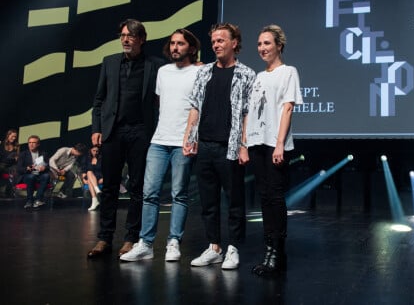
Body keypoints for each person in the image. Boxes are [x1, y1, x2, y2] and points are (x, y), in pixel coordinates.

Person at [120, 29, 202, 262]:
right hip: (158, 140)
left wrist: (191, 138)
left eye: (181, 43)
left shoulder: (199, 71)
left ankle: (173, 242)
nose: (175, 47)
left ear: (191, 48)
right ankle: (145, 243)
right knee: (149, 193)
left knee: (179, 194)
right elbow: (159, 102)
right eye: (173, 43)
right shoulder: (163, 72)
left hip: (183, 142)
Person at [87, 19, 165, 259]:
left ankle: (131, 237)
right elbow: (99, 101)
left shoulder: (156, 66)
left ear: (141, 39)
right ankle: (104, 237)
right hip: (113, 131)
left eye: (130, 36)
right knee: (109, 186)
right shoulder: (109, 62)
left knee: (137, 187)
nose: (125, 39)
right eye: (122, 35)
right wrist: (96, 128)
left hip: (141, 131)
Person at [183, 22, 255, 270]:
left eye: (221, 40)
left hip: (230, 146)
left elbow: (248, 113)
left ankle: (233, 248)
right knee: (208, 201)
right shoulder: (203, 73)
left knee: (234, 200)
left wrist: (244, 145)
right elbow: (194, 106)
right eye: (213, 41)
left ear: (234, 43)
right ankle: (214, 247)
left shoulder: (246, 74)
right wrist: (188, 136)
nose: (216, 45)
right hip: (204, 145)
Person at [242, 25, 303, 277]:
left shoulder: (288, 72)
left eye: (267, 43)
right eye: (259, 44)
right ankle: (270, 251)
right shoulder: (257, 76)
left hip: (274, 144)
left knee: (275, 198)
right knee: (265, 198)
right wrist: (243, 144)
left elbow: (287, 109)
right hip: (255, 144)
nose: (262, 48)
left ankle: (276, 253)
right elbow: (248, 112)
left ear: (279, 45)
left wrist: (279, 143)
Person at [16, 135, 51, 208]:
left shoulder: (43, 154)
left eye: (34, 143)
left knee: (46, 176)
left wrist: (44, 168)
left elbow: (48, 166)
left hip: (39, 174)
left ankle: (38, 199)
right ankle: (29, 201)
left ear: (38, 144)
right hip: (27, 174)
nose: (31, 144)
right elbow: (19, 168)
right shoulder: (23, 154)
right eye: (29, 142)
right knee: (31, 177)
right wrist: (27, 168)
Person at [0, 129, 20, 197]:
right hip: (2, 164)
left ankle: (9, 192)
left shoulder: (16, 145)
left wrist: (17, 158)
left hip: (11, 165)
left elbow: (17, 158)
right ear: (8, 135)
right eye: (12, 136)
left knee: (15, 169)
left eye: (15, 137)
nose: (14, 138)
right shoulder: (1, 144)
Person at [83, 145, 103, 211]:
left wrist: (103, 179)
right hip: (90, 176)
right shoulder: (87, 158)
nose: (95, 152)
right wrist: (83, 179)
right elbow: (84, 170)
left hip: (99, 176)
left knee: (89, 179)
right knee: (89, 172)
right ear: (90, 151)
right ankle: (96, 189)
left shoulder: (102, 158)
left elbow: (106, 170)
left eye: (97, 151)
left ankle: (94, 201)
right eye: (93, 150)